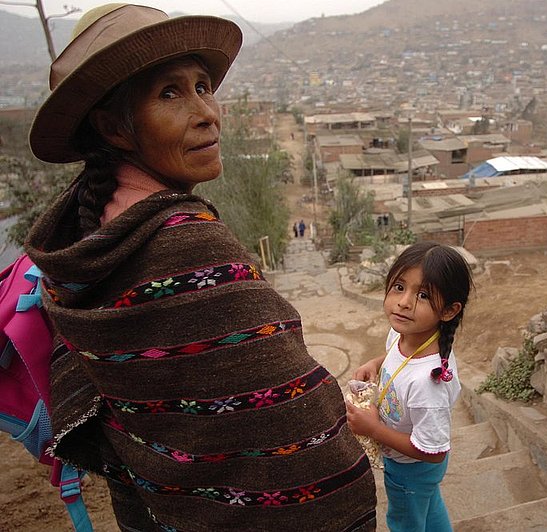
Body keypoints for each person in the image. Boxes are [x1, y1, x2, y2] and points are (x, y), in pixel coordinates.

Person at [24, 5, 376, 531]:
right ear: (113, 127)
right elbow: (290, 421)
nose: (207, 112)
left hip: (159, 508)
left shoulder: (85, 232)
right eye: (170, 93)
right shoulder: (185, 245)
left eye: (203, 86)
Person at [346, 242, 473, 531]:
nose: (404, 302)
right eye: (399, 287)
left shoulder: (428, 383)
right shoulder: (404, 334)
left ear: (449, 310)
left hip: (411, 469)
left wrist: (373, 429)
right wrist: (375, 363)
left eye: (423, 295)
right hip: (415, 466)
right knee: (430, 508)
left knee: (405, 523)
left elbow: (434, 452)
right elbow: (396, 355)